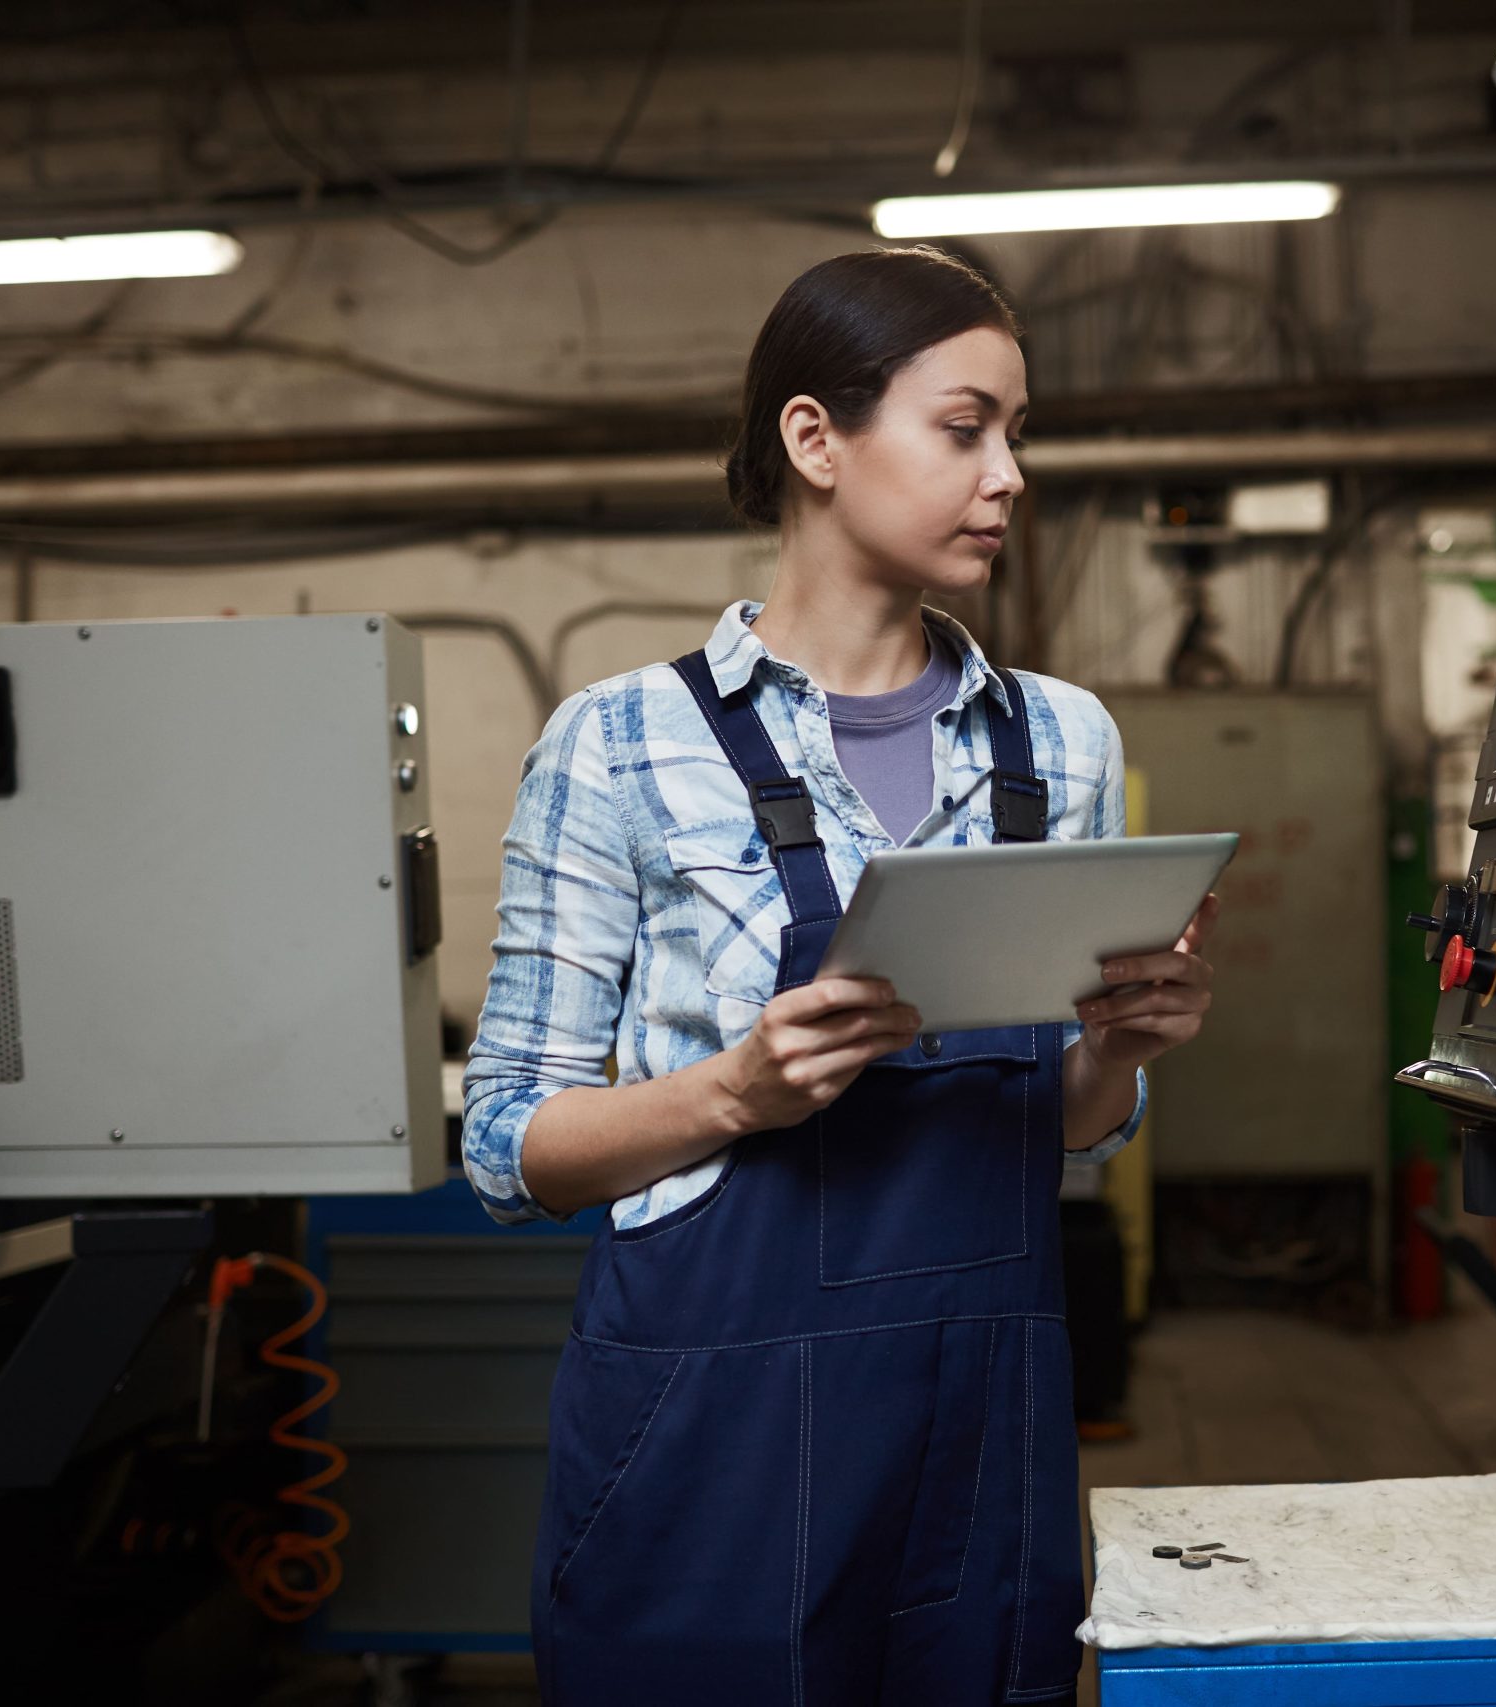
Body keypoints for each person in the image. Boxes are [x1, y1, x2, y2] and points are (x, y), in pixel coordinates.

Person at [462, 245, 1217, 1705]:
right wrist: (737, 1091)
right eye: (964, 427)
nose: (1008, 476)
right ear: (817, 439)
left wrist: (1122, 1053)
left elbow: (1056, 1124)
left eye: (1017, 434)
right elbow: (510, 1147)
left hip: (981, 1432)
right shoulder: (620, 746)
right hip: (710, 1436)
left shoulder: (1058, 745)